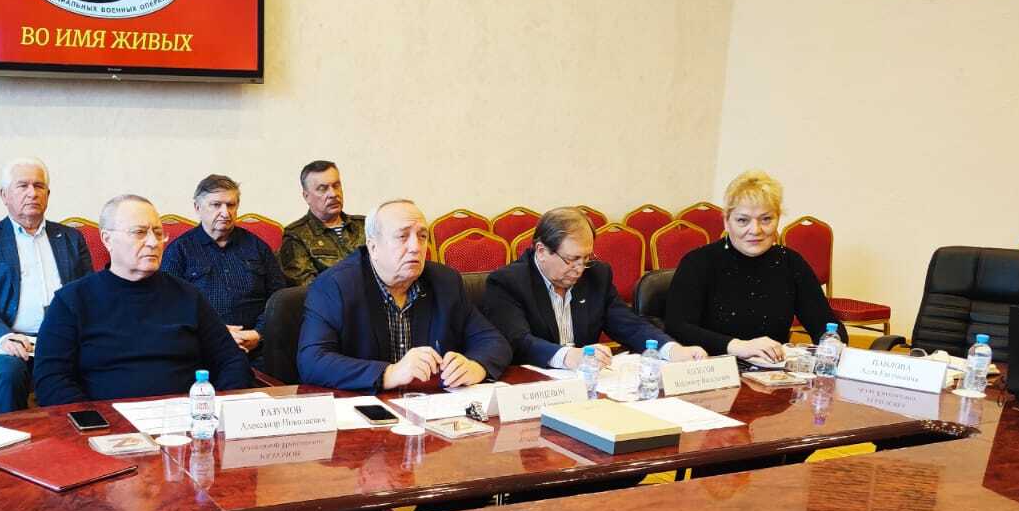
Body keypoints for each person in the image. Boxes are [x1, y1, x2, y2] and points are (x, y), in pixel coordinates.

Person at [34, 195, 254, 405]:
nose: (153, 242)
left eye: (158, 233)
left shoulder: (188, 295)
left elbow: (231, 360)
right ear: (107, 239)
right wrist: (94, 421)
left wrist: (214, 409)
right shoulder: (71, 301)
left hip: (186, 420)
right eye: (139, 232)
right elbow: (51, 379)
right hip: (106, 424)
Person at [297, 199, 511, 392]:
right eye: (402, 236)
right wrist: (389, 373)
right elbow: (312, 361)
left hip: (430, 408)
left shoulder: (445, 282)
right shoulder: (335, 286)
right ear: (373, 247)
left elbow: (493, 341)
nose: (416, 247)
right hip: (363, 409)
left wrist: (475, 366)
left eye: (422, 236)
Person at [483, 206, 708, 368]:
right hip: (533, 389)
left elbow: (630, 326)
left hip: (585, 383)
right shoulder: (508, 282)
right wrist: (568, 356)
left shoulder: (596, 275)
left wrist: (672, 350)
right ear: (541, 251)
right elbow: (519, 342)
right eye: (572, 259)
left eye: (586, 258)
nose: (580, 269)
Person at [665, 171, 841, 363]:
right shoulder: (698, 262)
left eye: (766, 219)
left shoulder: (791, 262)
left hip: (772, 372)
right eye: (743, 220)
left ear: (778, 219)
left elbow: (827, 325)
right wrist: (739, 346)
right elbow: (678, 327)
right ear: (726, 222)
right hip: (712, 369)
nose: (755, 230)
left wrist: (832, 343)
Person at [0, 158, 93, 412]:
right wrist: (3, 336)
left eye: (39, 186)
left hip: (64, 339)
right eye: (23, 186)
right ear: (4, 195)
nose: (32, 193)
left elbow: (88, 293)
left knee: (103, 364)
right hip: (10, 342)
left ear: (48, 195)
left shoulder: (70, 238)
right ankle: (6, 438)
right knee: (8, 374)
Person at [160, 174, 287, 355]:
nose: (225, 213)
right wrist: (212, 332)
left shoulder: (258, 247)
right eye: (216, 205)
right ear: (197, 207)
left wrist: (259, 333)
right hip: (202, 346)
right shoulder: (179, 250)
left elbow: (279, 298)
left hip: (258, 346)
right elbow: (168, 305)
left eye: (231, 205)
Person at [278, 160, 366, 286]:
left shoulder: (365, 225)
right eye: (322, 189)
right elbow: (308, 288)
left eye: (336, 186)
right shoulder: (296, 236)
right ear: (306, 196)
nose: (333, 194)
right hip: (334, 298)